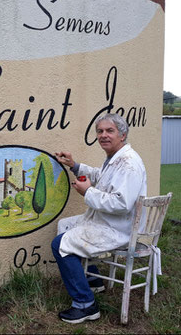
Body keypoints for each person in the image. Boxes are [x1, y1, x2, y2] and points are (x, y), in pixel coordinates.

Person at [52, 113, 147, 324]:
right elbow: (100, 176)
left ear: (122, 135)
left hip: (118, 228)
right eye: (100, 131)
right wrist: (74, 165)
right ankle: (93, 280)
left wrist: (88, 193)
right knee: (64, 225)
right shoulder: (115, 158)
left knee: (60, 244)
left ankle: (85, 305)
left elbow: (122, 204)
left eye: (109, 131)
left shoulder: (129, 164)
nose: (103, 135)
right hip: (108, 222)